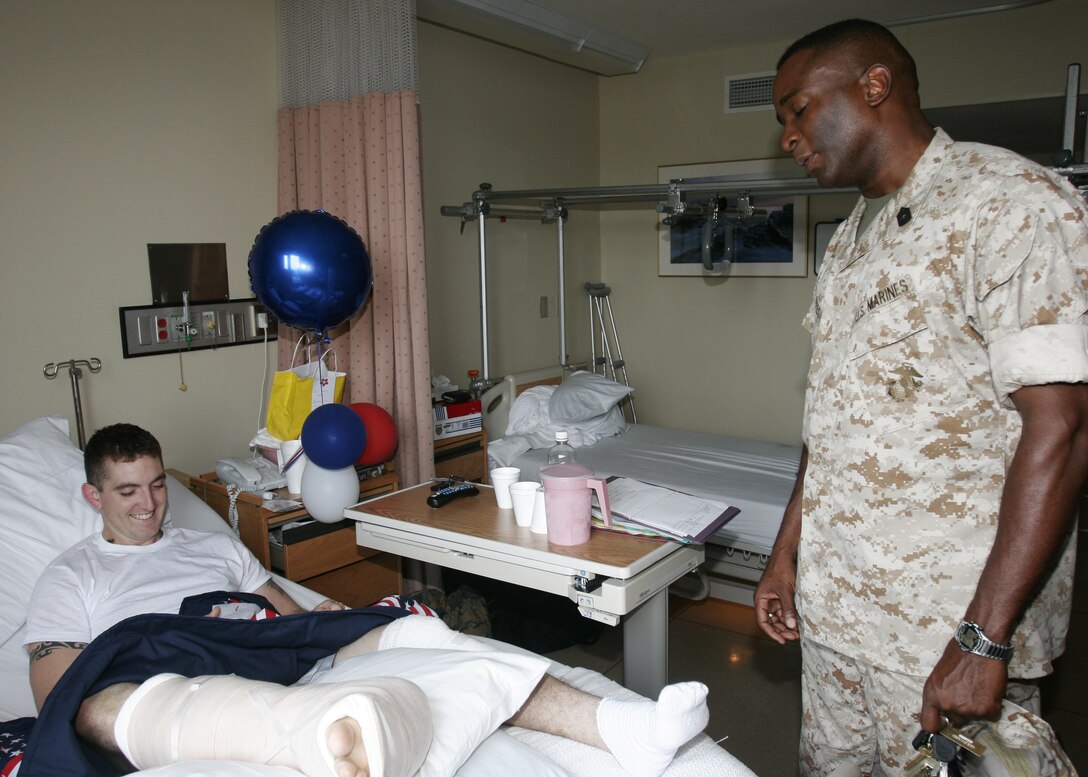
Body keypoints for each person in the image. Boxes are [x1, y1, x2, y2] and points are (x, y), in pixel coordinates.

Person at [754, 18, 1088, 776]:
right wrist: (785, 554)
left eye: (798, 109)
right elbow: (832, 417)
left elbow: (1063, 430)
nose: (788, 138)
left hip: (942, 630)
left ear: (874, 85)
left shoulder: (1010, 203)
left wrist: (983, 638)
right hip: (839, 614)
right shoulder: (848, 242)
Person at [25, 423, 711, 777]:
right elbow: (62, 692)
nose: (148, 502)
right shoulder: (73, 571)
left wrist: (332, 625)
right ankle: (313, 735)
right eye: (127, 491)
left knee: (428, 637)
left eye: (155, 484)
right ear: (93, 496)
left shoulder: (212, 549)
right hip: (156, 658)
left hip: (255, 645)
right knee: (99, 705)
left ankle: (618, 727)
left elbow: (284, 622)